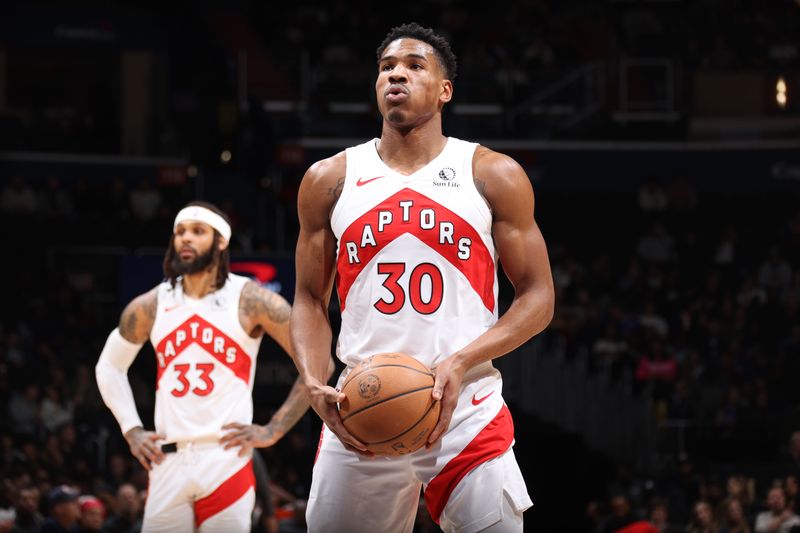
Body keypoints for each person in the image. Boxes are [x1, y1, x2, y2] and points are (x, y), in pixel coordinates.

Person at [291, 22, 554, 533]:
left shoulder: (491, 173)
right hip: (362, 403)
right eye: (387, 67)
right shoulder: (329, 179)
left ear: (444, 90)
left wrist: (461, 360)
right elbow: (306, 298)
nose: (397, 75)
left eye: (415, 66)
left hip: (466, 405)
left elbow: (539, 297)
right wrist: (311, 379)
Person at [95, 201, 315, 532]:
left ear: (221, 241)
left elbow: (313, 360)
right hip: (167, 460)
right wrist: (132, 429)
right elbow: (109, 367)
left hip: (225, 457)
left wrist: (274, 429)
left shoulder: (251, 299)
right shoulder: (152, 303)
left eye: (197, 232)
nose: (185, 239)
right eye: (180, 232)